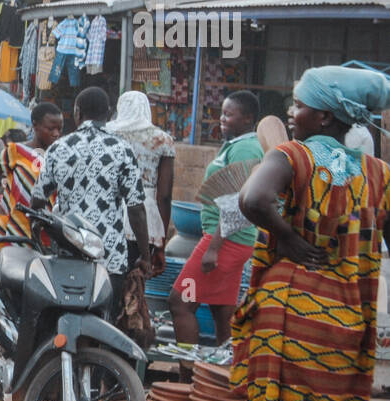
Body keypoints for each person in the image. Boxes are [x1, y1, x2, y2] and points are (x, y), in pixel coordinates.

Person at [235, 66, 390, 401]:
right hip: (344, 333)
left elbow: (252, 199)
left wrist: (289, 238)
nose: (291, 112)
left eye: (299, 105)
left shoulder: (292, 155)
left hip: (286, 325)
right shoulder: (378, 174)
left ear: (324, 115)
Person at [31, 86, 150, 315]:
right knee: (105, 321)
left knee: (64, 316)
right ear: (108, 113)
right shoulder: (122, 150)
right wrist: (145, 257)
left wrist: (46, 237)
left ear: (77, 112)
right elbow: (136, 209)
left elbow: (37, 202)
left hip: (68, 252)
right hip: (109, 256)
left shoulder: (59, 148)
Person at [169, 91, 263, 344]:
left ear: (248, 118)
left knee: (180, 302)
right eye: (222, 113)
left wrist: (213, 248)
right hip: (231, 240)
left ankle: (188, 375)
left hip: (226, 241)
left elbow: (237, 202)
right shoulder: (237, 144)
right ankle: (225, 376)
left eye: (228, 114)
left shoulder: (246, 148)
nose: (221, 119)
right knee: (222, 311)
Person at [107, 91, 175, 274]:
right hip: (143, 217)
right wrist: (160, 243)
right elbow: (165, 196)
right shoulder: (162, 140)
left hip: (105, 211)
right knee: (133, 280)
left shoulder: (106, 133)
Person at [0, 102, 63, 238]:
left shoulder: (60, 160)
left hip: (44, 237)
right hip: (10, 233)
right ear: (35, 126)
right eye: (51, 129)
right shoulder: (16, 151)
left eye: (59, 129)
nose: (56, 134)